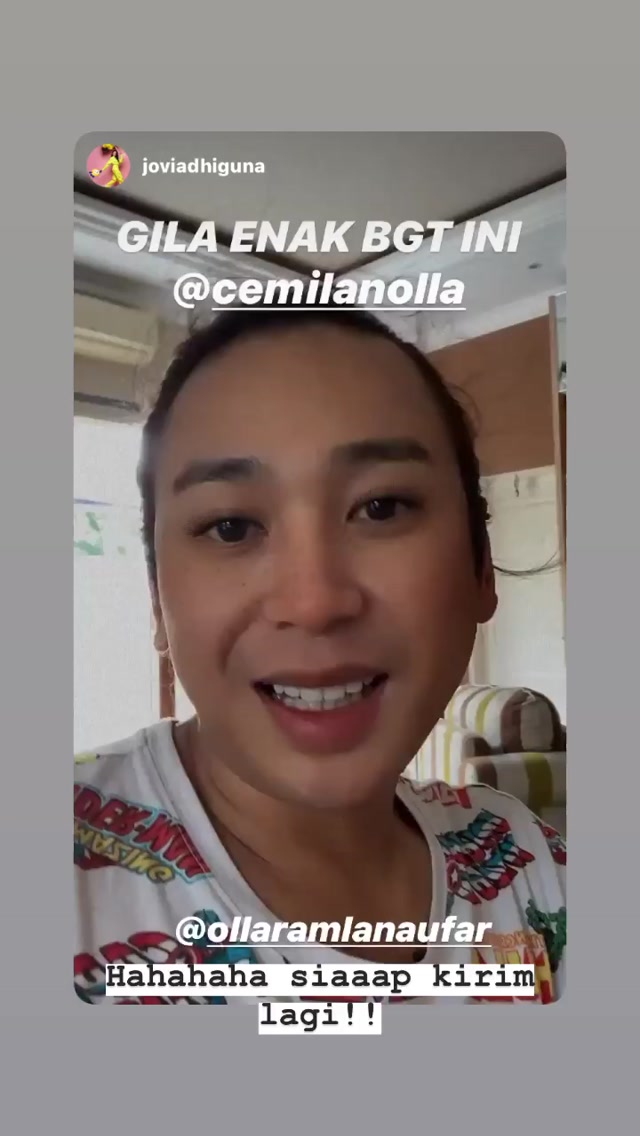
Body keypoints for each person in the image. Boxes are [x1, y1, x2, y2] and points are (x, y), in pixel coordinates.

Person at [74, 305, 566, 1005]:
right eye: (231, 525)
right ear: (158, 599)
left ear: (481, 568)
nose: (314, 603)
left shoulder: (534, 866)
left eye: (382, 508)